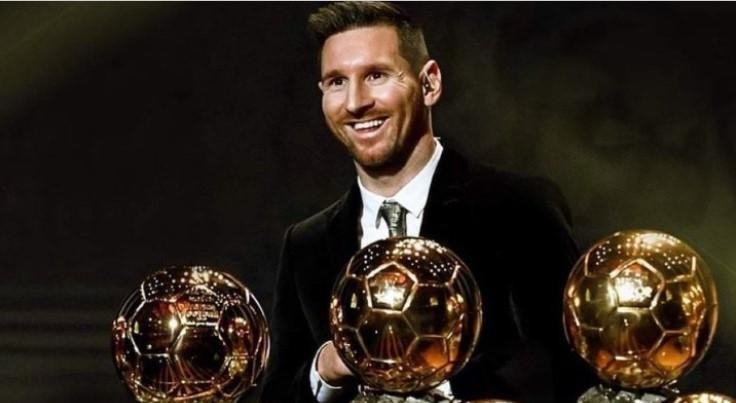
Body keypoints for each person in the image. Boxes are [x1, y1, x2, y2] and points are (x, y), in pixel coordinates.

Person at [261, 2, 593, 402]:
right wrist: (327, 369)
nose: (355, 102)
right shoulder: (306, 244)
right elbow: (277, 394)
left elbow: (570, 366)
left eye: (376, 75)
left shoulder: (519, 209)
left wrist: (434, 378)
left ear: (430, 83)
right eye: (336, 82)